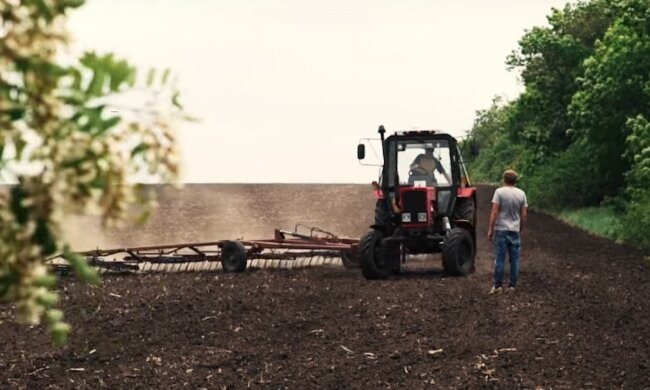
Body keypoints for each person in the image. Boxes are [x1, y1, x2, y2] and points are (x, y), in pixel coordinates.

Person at [487, 169, 528, 294]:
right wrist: (520, 228)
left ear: (504, 179)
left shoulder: (499, 192)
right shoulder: (521, 194)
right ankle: (512, 286)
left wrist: (490, 230)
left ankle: (498, 286)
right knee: (514, 259)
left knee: (500, 258)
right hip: (514, 229)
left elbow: (494, 212)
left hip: (501, 229)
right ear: (515, 180)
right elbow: (524, 214)